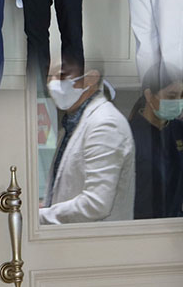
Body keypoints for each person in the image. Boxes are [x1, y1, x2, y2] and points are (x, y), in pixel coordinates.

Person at [38, 63, 135, 224]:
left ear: (91, 78)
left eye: (62, 76)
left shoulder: (106, 124)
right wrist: (47, 205)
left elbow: (96, 205)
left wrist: (40, 216)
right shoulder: (72, 124)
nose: (52, 83)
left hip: (96, 238)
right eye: (49, 77)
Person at [129, 73, 183, 219]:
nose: (178, 101)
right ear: (149, 95)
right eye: (171, 96)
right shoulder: (129, 134)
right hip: (140, 223)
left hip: (176, 222)